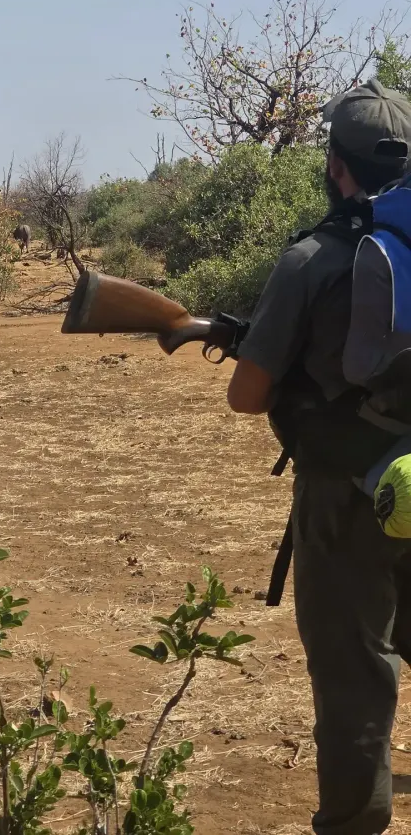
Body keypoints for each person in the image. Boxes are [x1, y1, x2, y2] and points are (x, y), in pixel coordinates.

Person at [227, 79, 411, 835]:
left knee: (353, 674)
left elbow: (247, 395)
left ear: (337, 166)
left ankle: (353, 822)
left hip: (347, 497)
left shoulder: (310, 259)